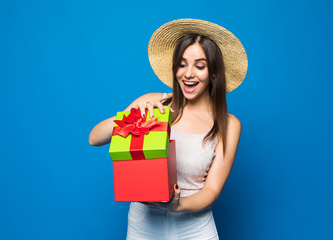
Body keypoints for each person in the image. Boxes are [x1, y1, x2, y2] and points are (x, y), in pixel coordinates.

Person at [89, 19, 248, 240]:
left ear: (213, 73)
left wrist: (177, 206)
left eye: (199, 66)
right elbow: (94, 138)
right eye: (182, 64)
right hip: (143, 224)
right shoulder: (153, 102)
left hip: (194, 226)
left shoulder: (228, 124)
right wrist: (133, 118)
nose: (188, 73)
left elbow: (212, 190)